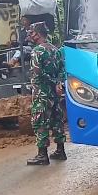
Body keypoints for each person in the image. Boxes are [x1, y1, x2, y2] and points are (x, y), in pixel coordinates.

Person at [26, 22, 67, 165]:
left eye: (31, 33)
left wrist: (49, 81)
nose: (29, 36)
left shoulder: (37, 51)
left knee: (40, 121)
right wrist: (57, 82)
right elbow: (62, 69)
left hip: (42, 92)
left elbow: (37, 73)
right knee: (57, 120)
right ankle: (60, 150)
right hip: (55, 93)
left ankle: (42, 155)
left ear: (38, 34)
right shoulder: (55, 50)